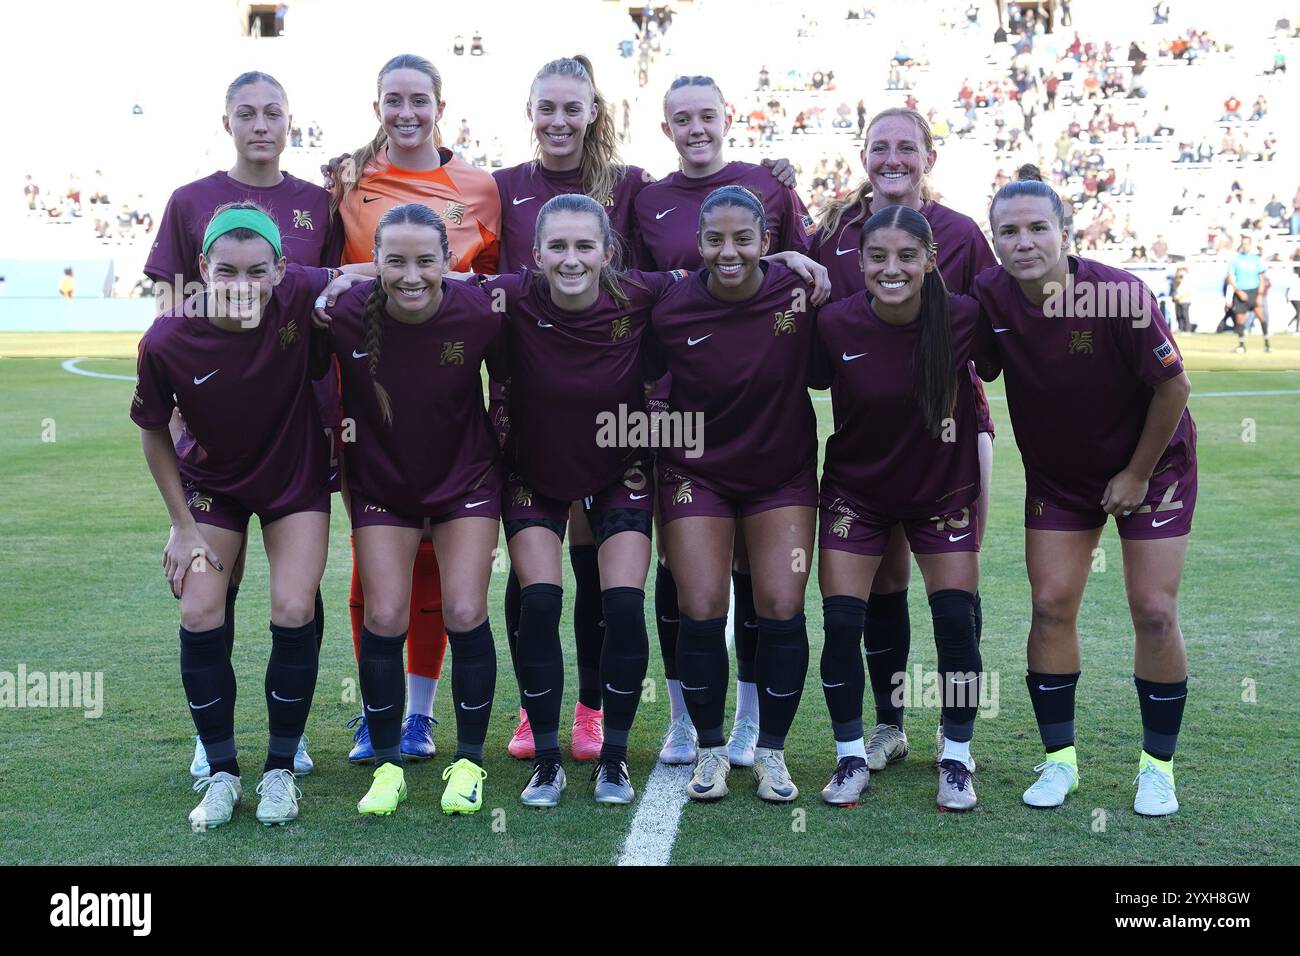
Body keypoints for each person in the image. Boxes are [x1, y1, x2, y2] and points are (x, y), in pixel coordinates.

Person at [974, 179, 1196, 817]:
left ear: (1064, 233)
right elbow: (976, 360)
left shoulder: (1118, 295)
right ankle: (1059, 761)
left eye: (1037, 228)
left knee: (1154, 610)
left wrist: (1135, 474)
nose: (1023, 243)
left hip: (1154, 468)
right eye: (1008, 232)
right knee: (1049, 606)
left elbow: (1174, 388)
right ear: (995, 243)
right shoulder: (991, 295)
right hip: (1060, 476)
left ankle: (1157, 768)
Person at [146, 71, 341, 781]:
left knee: (299, 591)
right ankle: (216, 732)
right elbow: (170, 311)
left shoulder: (318, 202)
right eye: (247, 113)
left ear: (292, 121)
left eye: (274, 114)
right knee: (212, 592)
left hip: (298, 418)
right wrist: (180, 402)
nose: (261, 125)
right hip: (214, 432)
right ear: (225, 120)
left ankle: (289, 736)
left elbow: (335, 291)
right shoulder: (190, 201)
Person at [132, 202, 353, 828]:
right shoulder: (168, 339)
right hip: (212, 487)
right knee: (200, 606)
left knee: (293, 605)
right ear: (202, 268)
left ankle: (281, 768)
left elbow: (360, 272)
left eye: (258, 271)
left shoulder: (298, 291)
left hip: (294, 478)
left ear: (281, 270)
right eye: (225, 271)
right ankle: (224, 773)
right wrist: (183, 526)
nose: (241, 285)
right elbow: (152, 433)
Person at [808, 107, 998, 773]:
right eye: (879, 147)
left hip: (947, 442)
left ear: (928, 157)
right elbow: (792, 295)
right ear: (864, 156)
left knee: (954, 599)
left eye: (906, 148)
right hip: (867, 446)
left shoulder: (963, 234)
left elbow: (995, 321)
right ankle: (886, 725)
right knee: (879, 589)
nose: (893, 159)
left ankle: (957, 738)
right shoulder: (830, 229)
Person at [328, 53, 502, 765]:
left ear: (440, 105)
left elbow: (501, 298)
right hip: (368, 402)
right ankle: (379, 717)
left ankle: (424, 717)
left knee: (449, 585)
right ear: (376, 107)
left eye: (419, 100)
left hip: (450, 401)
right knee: (376, 584)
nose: (406, 112)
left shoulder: (481, 189)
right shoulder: (348, 182)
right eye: (392, 100)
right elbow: (316, 277)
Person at [635, 74, 810, 770]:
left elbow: (817, 277)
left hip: (773, 452)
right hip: (687, 443)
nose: (696, 127)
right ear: (667, 126)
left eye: (707, 114)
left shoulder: (771, 195)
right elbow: (625, 295)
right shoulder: (647, 205)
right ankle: (690, 725)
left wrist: (794, 258)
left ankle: (759, 734)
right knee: (687, 586)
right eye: (682, 117)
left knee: (773, 595)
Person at [491, 56, 657, 764]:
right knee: (535, 588)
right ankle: (537, 716)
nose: (558, 120)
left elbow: (679, 278)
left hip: (615, 420)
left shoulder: (633, 187)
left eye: (572, 107)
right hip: (527, 409)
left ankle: (591, 712)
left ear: (594, 112)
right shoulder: (498, 187)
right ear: (529, 111)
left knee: (599, 581)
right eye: (545, 107)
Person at [645, 185, 830, 803]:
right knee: (700, 604)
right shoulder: (669, 304)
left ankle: (772, 752)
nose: (729, 251)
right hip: (696, 470)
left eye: (743, 239)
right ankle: (709, 748)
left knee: (780, 603)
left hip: (780, 472)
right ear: (697, 244)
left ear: (766, 243)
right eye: (715, 239)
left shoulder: (800, 292)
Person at [318, 204, 503, 816]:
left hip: (465, 480)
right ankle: (387, 764)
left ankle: (470, 762)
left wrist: (782, 259)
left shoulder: (478, 307)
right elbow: (278, 277)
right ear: (375, 263)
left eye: (427, 260)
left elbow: (547, 285)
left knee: (465, 607)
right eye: (394, 260)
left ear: (450, 263)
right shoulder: (344, 310)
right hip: (382, 485)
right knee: (386, 615)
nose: (412, 274)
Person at [1226, 235, 1266, 352]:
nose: (1246, 246)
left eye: (1248, 243)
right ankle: (1241, 345)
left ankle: (1267, 344)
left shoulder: (1256, 259)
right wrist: (1238, 291)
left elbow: (1262, 278)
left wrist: (1259, 294)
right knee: (1240, 319)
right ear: (1241, 245)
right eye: (1244, 244)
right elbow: (1230, 278)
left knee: (1261, 317)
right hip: (1241, 292)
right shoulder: (1236, 259)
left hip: (1254, 291)